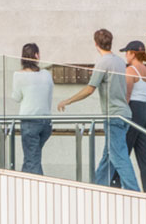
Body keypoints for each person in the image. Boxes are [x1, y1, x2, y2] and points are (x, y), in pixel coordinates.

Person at [59, 27, 141, 192]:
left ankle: (135, 193)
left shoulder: (103, 63)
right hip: (124, 114)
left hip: (114, 116)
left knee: (119, 157)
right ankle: (97, 188)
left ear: (96, 44)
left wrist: (68, 100)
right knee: (108, 157)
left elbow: (90, 89)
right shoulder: (119, 61)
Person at [122, 39, 146, 193]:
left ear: (132, 53)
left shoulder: (131, 70)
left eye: (127, 52)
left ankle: (115, 185)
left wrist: (122, 111)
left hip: (134, 108)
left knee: (122, 149)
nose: (125, 55)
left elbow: (127, 94)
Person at [14, 42, 55, 174]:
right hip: (46, 122)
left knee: (31, 159)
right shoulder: (46, 74)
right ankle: (23, 185)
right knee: (32, 157)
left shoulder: (19, 75)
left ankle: (36, 190)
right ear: (36, 56)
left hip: (29, 121)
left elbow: (16, 97)